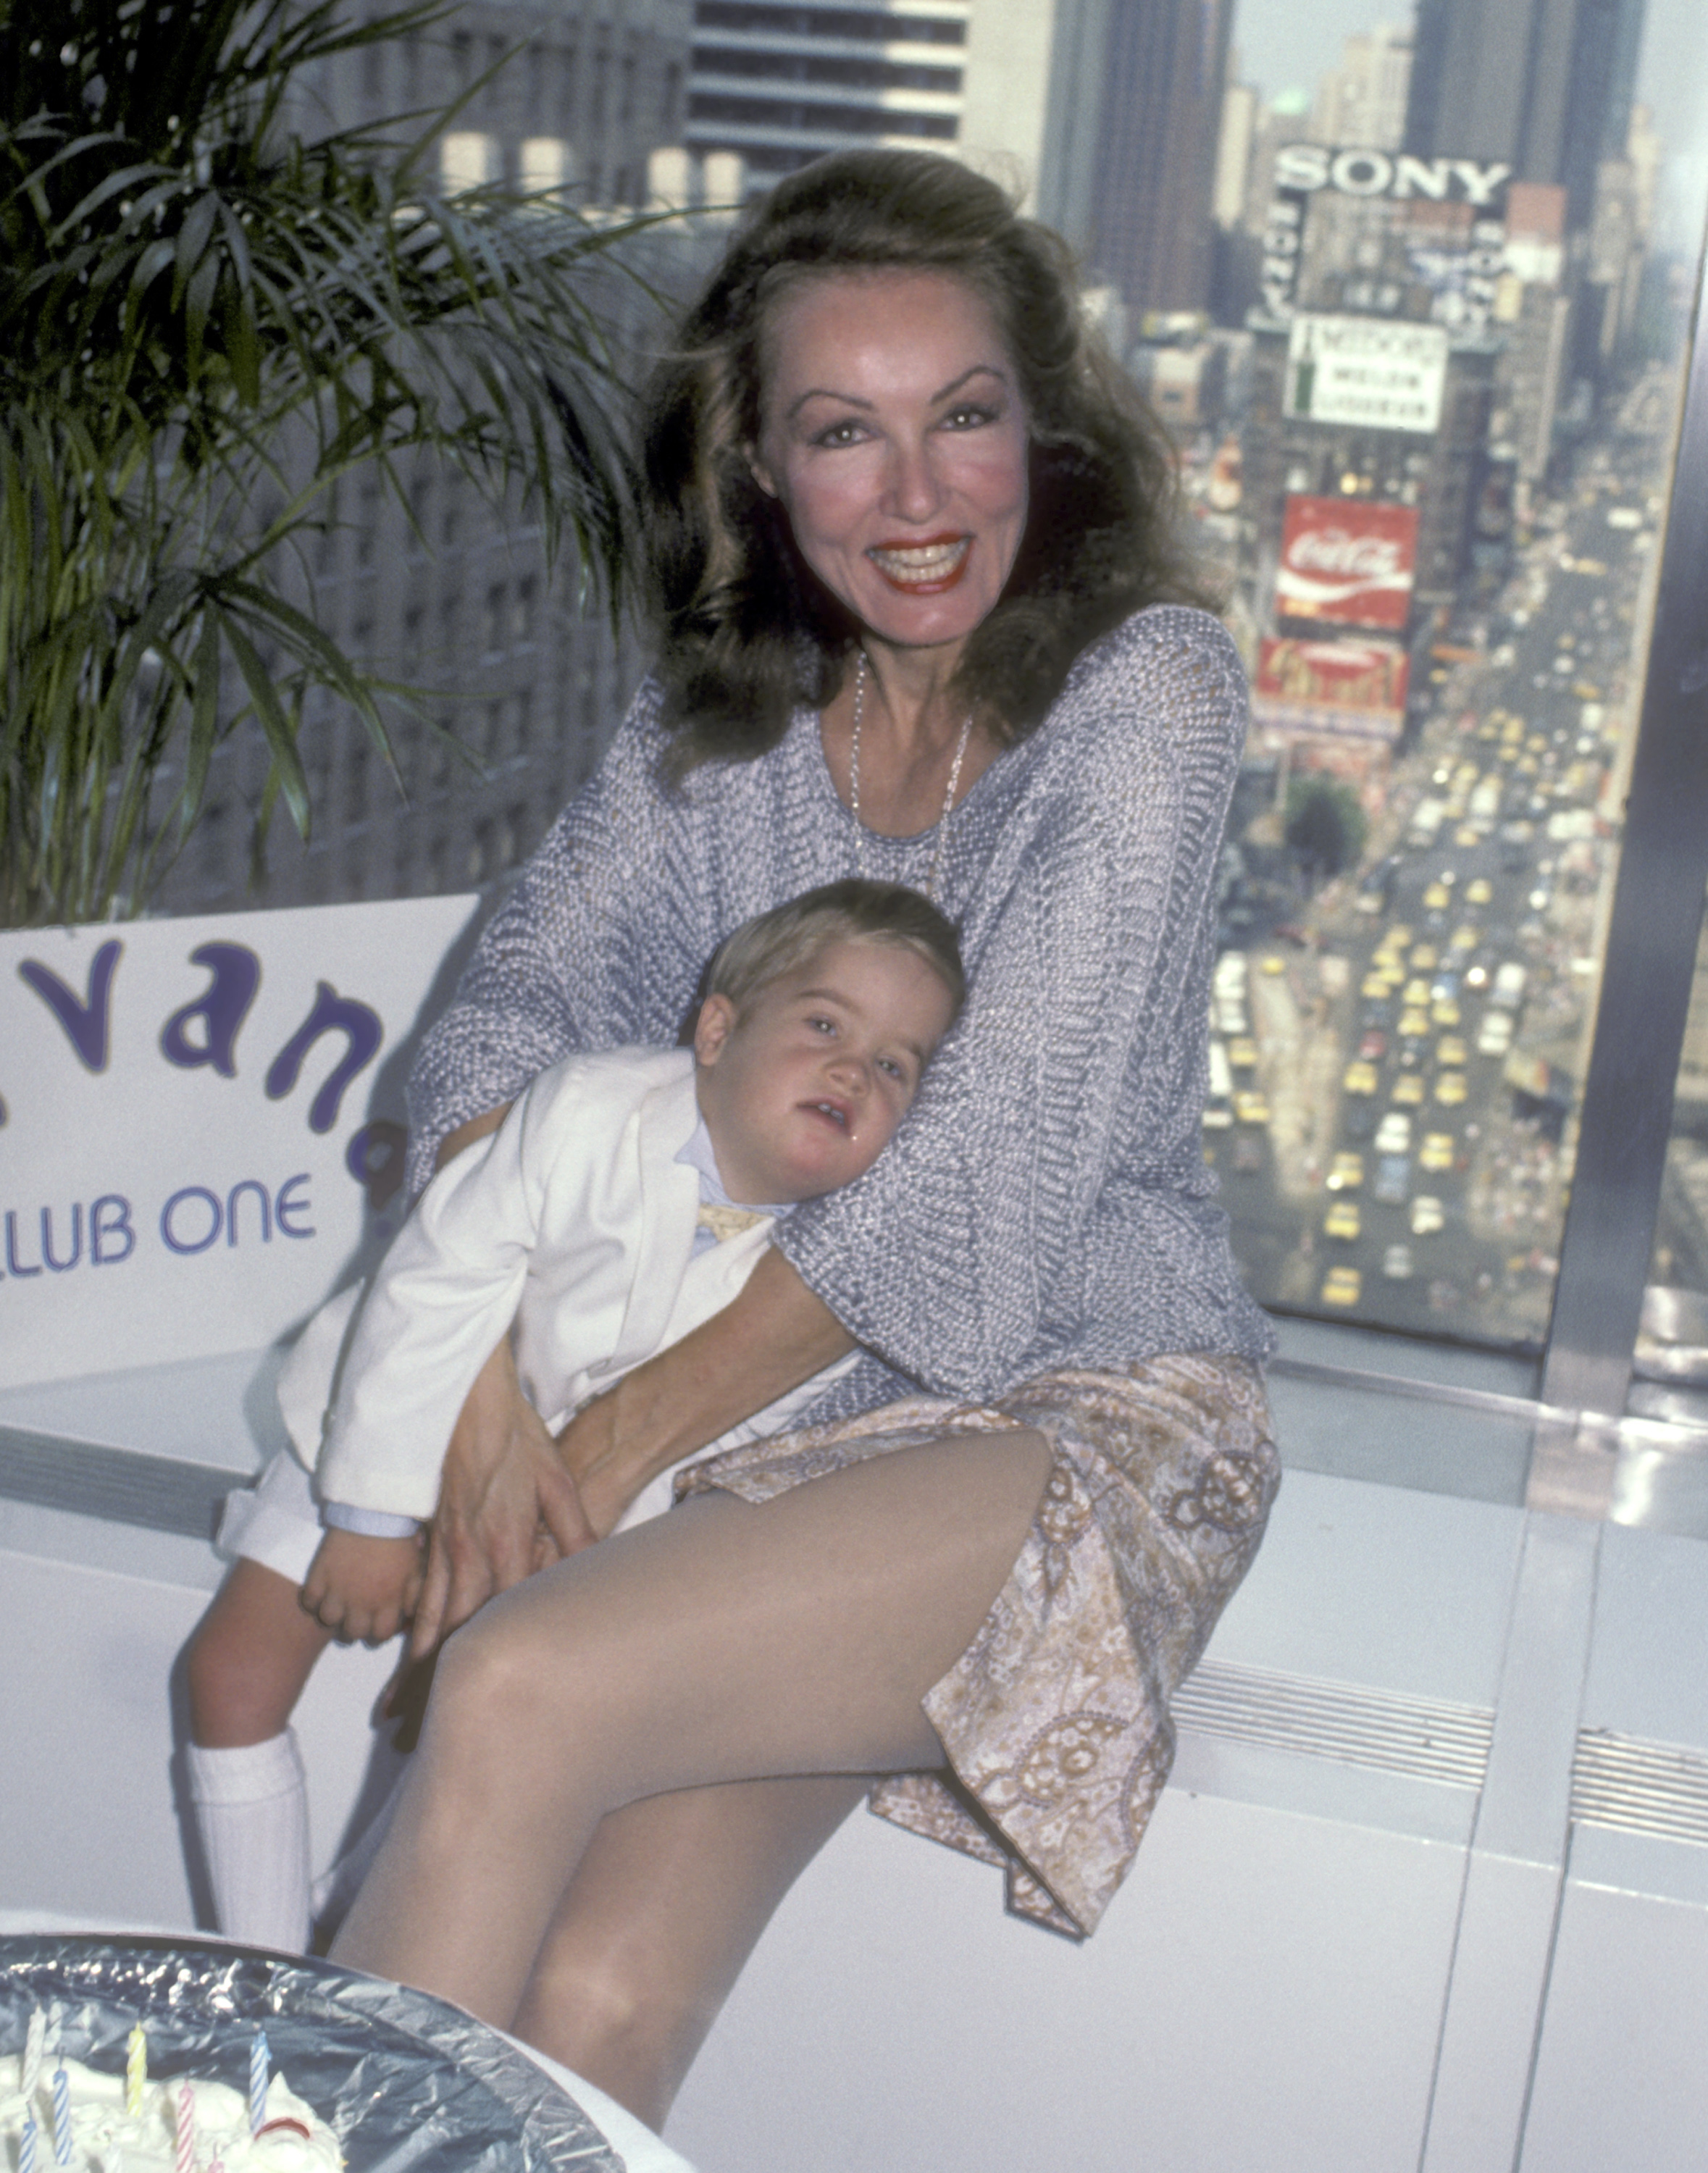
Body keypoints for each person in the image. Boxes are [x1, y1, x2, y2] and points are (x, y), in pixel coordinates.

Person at [330, 148, 1281, 2130]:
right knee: (593, 1993)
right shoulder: (727, 721)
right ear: (756, 469)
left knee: (510, 1681)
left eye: (964, 416)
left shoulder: (1146, 694)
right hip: (751, 1420)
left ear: (1047, 423)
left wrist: (588, 1448)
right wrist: (490, 1370)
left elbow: (978, 1195)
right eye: (843, 435)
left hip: (1067, 1402)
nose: (919, 499)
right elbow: (500, 1020)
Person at [183, 879, 965, 1954]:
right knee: (230, 1676)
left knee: (462, 1750)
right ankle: (260, 1972)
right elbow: (438, 1278)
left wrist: (538, 1567)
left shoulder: (833, 1275)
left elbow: (710, 1459)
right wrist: (372, 1522)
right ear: (716, 1029)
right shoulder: (586, 1108)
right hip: (390, 1414)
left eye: (894, 1066)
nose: (851, 1070)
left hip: (567, 1527)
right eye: (825, 1024)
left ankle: (338, 1943)